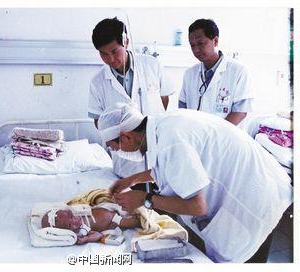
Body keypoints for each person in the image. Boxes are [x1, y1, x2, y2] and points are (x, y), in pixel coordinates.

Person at [97, 104, 292, 263]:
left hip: (256, 197)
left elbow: (197, 206)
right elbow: (169, 169)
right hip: (252, 184)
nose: (117, 152)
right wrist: (131, 180)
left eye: (115, 148)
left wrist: (145, 199)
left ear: (127, 136)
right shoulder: (163, 126)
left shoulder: (171, 141)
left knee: (247, 258)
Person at [89, 17, 174, 179]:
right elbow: (98, 121)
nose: (111, 59)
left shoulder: (151, 65)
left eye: (114, 51)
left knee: (159, 194)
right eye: (104, 54)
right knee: (129, 200)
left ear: (126, 42)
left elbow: (164, 100)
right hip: (126, 162)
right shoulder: (97, 82)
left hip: (156, 150)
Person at [179, 19, 253, 126]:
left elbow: (240, 111)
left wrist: (215, 135)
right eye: (192, 45)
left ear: (215, 41)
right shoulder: (189, 74)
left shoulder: (238, 71)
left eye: (200, 43)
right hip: (195, 137)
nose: (196, 50)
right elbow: (183, 107)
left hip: (226, 138)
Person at [41, 208, 140, 245]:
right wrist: (87, 238)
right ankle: (142, 221)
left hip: (110, 209)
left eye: (71, 216)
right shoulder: (81, 232)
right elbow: (98, 235)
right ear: (66, 231)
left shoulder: (76, 212)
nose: (75, 220)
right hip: (114, 221)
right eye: (70, 224)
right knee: (134, 221)